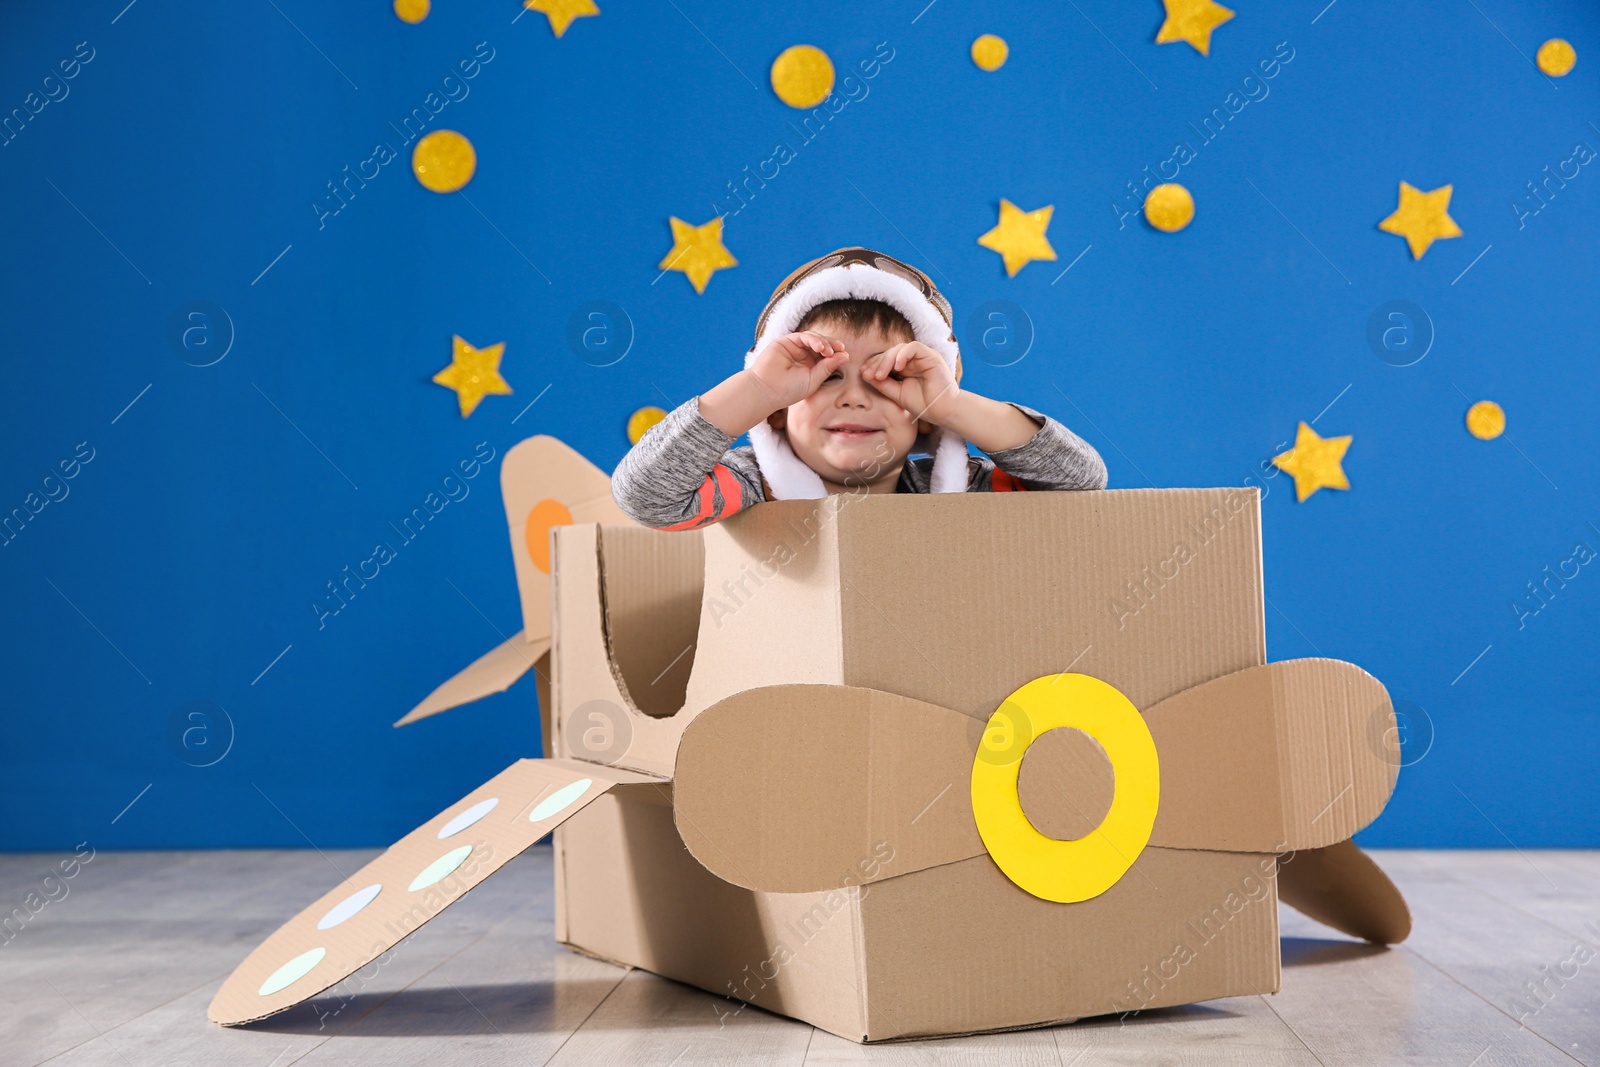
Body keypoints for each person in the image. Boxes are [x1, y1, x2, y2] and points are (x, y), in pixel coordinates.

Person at [612, 247, 1107, 531]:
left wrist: (951, 405)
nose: (854, 397)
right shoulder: (752, 486)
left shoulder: (952, 491)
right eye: (825, 376)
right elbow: (646, 497)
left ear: (926, 417)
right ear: (779, 412)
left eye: (889, 376)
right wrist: (758, 388)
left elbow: (1080, 483)